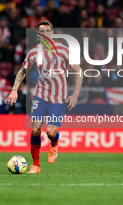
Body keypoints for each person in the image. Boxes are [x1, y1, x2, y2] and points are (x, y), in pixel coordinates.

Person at [7, 20, 83, 174]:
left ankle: (54, 143)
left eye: (48, 31)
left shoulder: (63, 50)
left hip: (59, 98)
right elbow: (22, 71)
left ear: (52, 33)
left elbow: (78, 70)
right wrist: (14, 90)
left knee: (50, 132)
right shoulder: (34, 52)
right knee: (35, 130)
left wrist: (75, 94)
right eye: (42, 32)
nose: (45, 34)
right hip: (40, 95)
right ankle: (36, 165)